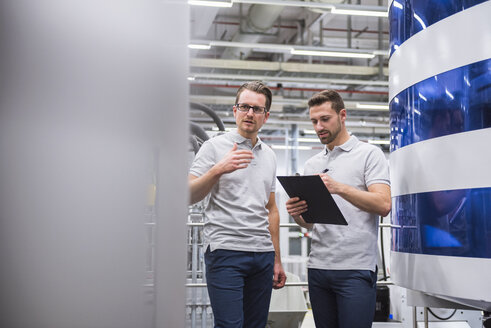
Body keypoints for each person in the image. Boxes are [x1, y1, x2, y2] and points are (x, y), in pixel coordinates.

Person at [285, 90, 391, 328]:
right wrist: (298, 214)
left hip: (355, 268)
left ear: (342, 115)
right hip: (319, 267)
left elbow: (383, 205)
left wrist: (339, 188)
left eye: (325, 119)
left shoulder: (369, 155)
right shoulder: (313, 164)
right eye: (314, 121)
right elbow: (310, 224)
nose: (318, 126)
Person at [188, 81, 286, 328]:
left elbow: (271, 209)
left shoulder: (270, 155)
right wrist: (219, 168)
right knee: (230, 325)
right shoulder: (213, 148)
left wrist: (276, 259)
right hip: (226, 251)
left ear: (266, 116)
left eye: (256, 109)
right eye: (244, 107)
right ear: (235, 111)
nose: (250, 114)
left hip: (262, 254)